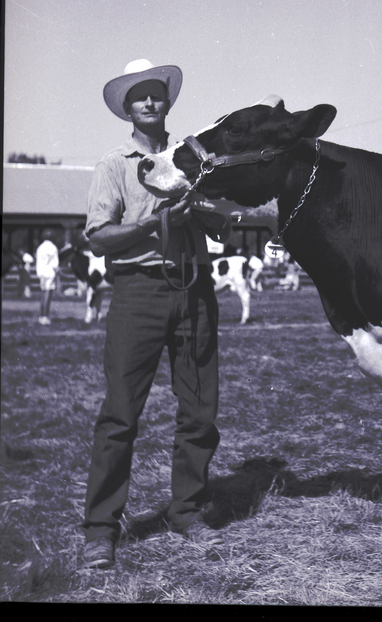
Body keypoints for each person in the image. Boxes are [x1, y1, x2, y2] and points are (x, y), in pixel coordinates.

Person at [81, 59, 233, 570]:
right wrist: (154, 223)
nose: (149, 102)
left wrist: (202, 209)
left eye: (156, 93)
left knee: (199, 410)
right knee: (120, 414)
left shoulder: (192, 158)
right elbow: (100, 237)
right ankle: (100, 531)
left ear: (167, 101)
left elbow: (224, 227)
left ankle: (187, 512)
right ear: (127, 108)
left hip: (195, 289)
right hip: (138, 292)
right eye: (138, 96)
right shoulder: (113, 165)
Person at [35, 230, 59, 324]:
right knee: (48, 295)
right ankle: (45, 316)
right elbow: (55, 264)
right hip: (50, 272)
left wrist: (39, 274)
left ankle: (41, 316)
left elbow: (38, 262)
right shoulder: (53, 247)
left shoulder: (40, 248)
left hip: (42, 273)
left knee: (43, 294)